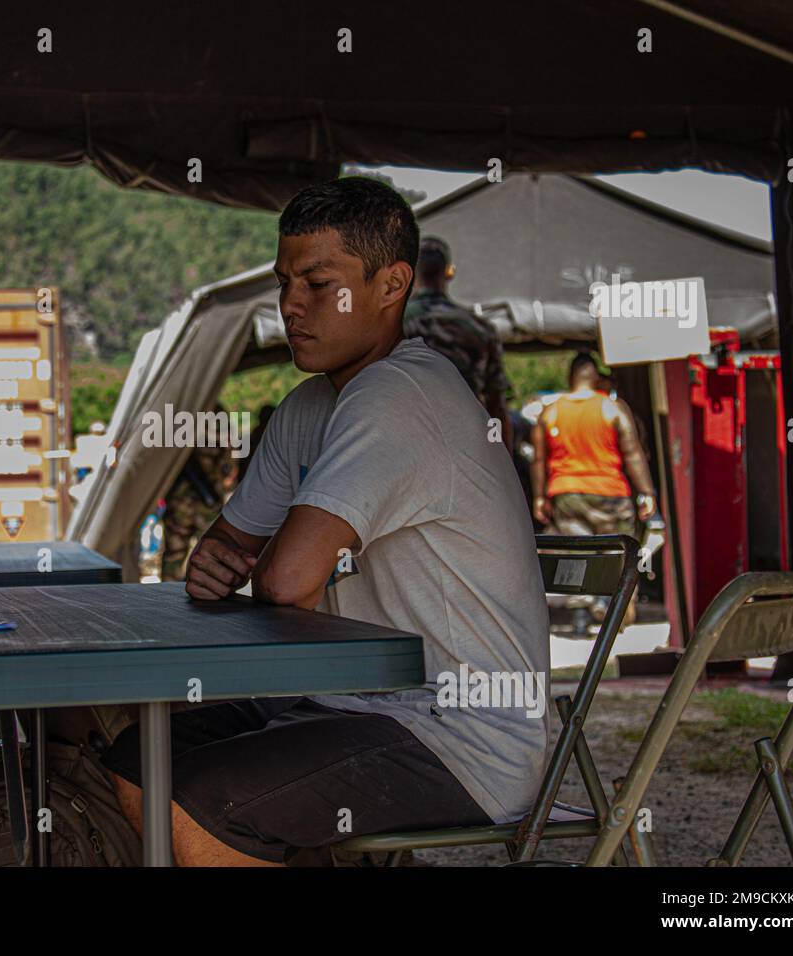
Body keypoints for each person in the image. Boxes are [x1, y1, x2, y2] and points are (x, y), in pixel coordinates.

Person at [100, 177, 550, 865]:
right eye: (285, 283)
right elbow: (226, 551)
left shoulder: (401, 391)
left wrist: (266, 561)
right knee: (137, 758)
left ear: (393, 284)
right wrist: (220, 559)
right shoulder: (310, 405)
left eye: (318, 284)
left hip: (460, 735)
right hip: (347, 704)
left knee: (202, 798)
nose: (291, 305)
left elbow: (281, 583)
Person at [530, 354, 656, 629]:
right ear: (596, 378)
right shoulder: (612, 408)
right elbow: (632, 451)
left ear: (570, 378)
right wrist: (646, 492)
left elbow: (538, 459)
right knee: (618, 554)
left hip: (568, 495)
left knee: (579, 554)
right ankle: (616, 609)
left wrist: (539, 497)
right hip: (611, 494)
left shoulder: (551, 411)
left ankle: (582, 610)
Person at [403, 237, 513, 449]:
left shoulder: (388, 326)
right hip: (464, 447)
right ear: (449, 272)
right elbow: (497, 406)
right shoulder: (480, 329)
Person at [160, 405, 237, 581]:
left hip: (182, 501)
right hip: (207, 503)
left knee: (175, 554)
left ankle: (168, 594)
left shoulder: (182, 418)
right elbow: (230, 466)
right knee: (208, 553)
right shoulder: (219, 419)